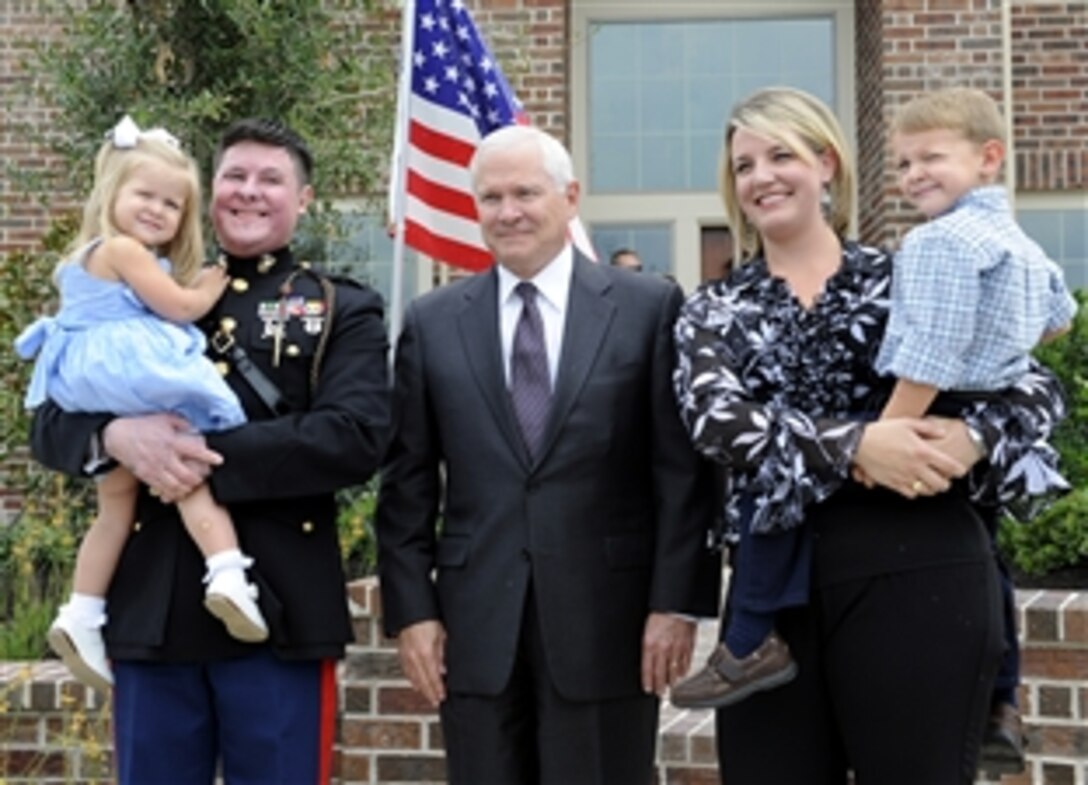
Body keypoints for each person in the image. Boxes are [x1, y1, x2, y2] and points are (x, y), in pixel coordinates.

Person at [670, 86, 1066, 784]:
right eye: (743, 165)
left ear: (827, 165)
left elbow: (1033, 387)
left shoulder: (912, 269)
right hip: (772, 609)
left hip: (922, 569)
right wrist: (858, 445)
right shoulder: (714, 307)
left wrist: (969, 439)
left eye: (781, 155)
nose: (761, 176)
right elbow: (716, 420)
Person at [29, 118, 390, 784]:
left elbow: (355, 436)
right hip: (152, 607)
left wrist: (196, 454)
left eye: (271, 179)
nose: (250, 192)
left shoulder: (340, 306)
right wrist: (114, 436)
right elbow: (47, 421)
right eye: (235, 176)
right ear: (212, 192)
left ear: (303, 199)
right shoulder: (130, 291)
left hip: (277, 611)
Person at [375, 124, 720, 785]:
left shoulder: (648, 309)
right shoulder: (433, 320)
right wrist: (412, 610)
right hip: (476, 628)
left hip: (611, 623)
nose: (508, 212)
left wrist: (675, 602)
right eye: (490, 197)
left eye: (525, 192)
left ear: (570, 196)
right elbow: (407, 483)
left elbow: (681, 474)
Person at [15, 116, 268, 695]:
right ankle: (228, 572)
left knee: (116, 503)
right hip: (126, 371)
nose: (157, 210)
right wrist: (210, 285)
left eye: (172, 204)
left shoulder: (94, 257)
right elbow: (179, 307)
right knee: (188, 463)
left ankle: (81, 612)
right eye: (144, 195)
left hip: (91, 377)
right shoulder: (125, 250)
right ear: (112, 194)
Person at [874, 86, 1076, 774]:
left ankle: (962, 705)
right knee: (985, 557)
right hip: (998, 414)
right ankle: (1000, 701)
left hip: (943, 412)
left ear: (989, 157)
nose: (912, 175)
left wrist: (882, 439)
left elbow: (930, 354)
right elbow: (1061, 318)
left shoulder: (939, 240)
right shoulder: (1017, 241)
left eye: (931, 157)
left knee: (929, 573)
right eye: (903, 164)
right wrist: (1006, 350)